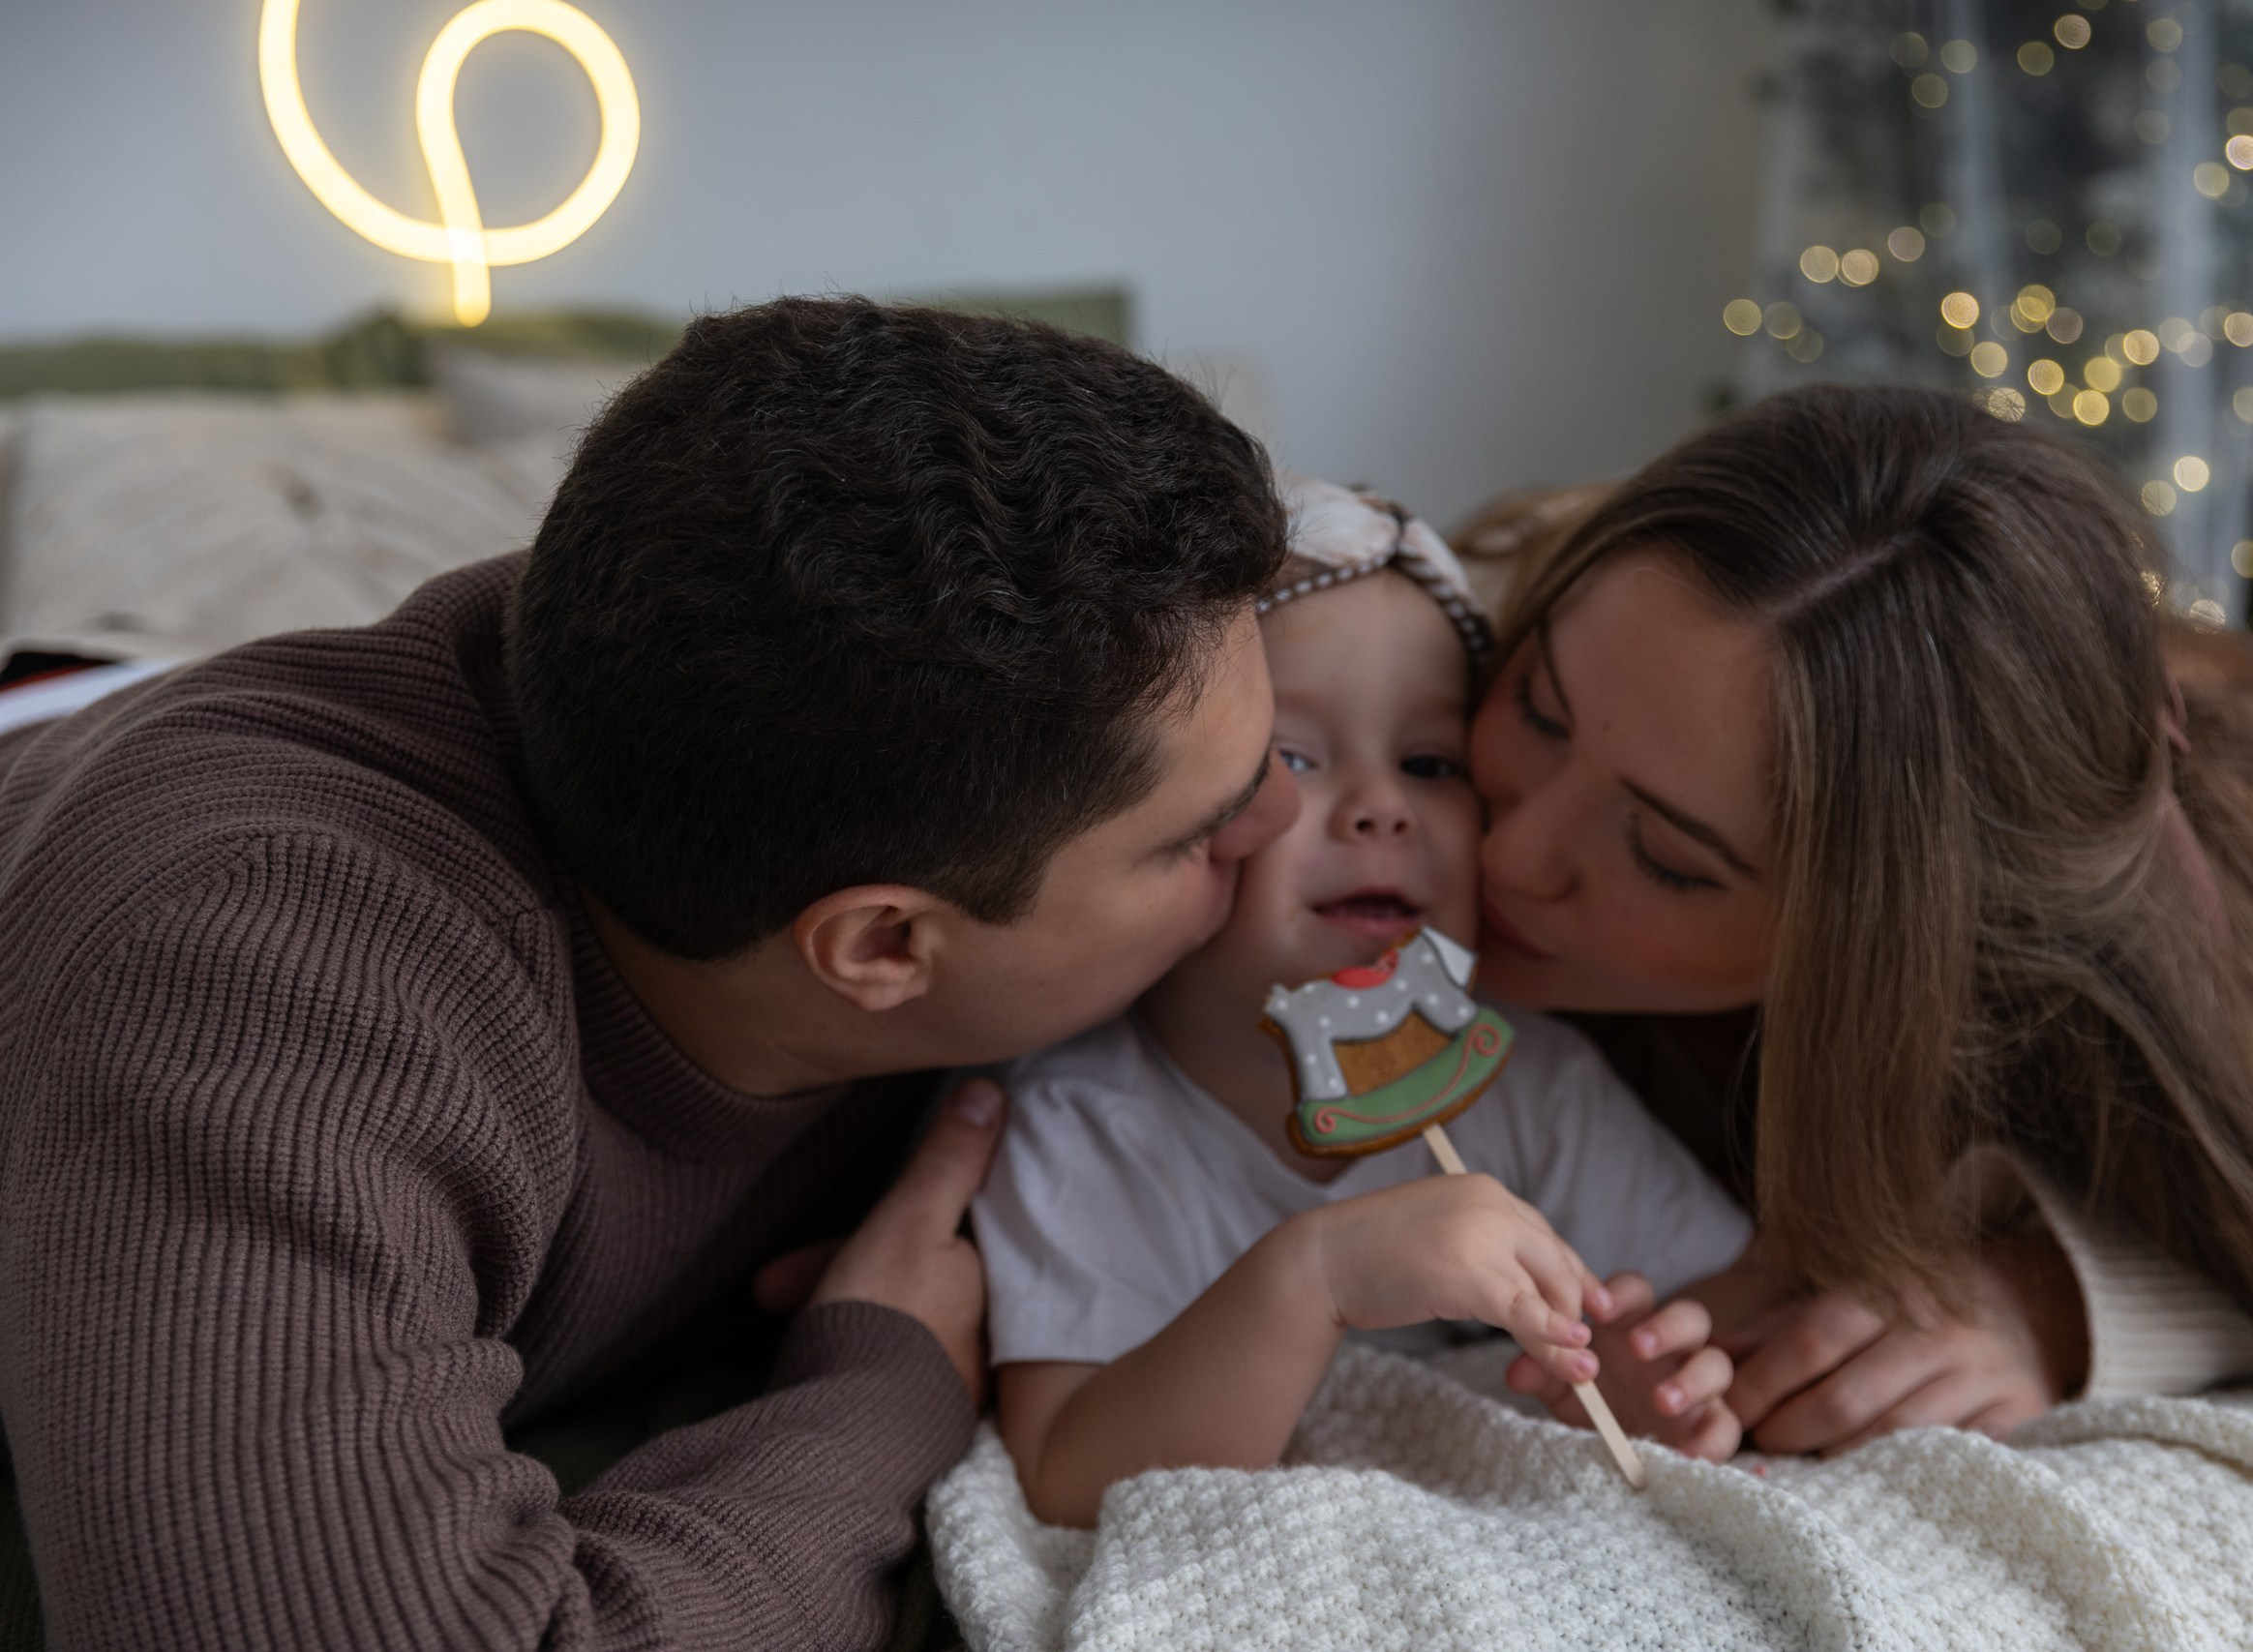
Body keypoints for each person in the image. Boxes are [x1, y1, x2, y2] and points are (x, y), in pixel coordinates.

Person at [0, 297, 1304, 1651]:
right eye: (1199, 834)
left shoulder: (808, 698)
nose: (1283, 827)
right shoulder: (266, 983)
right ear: (882, 946)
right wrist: (886, 1386)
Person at [1483, 384, 2253, 1455]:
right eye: (1538, 706)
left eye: (1668, 860)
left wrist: (2056, 1295)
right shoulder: (1441, 612)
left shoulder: (2232, 902)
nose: (1510, 854)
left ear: (1915, 947)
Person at [974, 480, 1752, 1528]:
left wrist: (1656, 1375)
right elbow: (1069, 1480)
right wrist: (1316, 1275)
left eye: (1429, 763)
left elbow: (1732, 1296)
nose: (1382, 808)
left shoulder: (1539, 1083)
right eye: (1291, 758)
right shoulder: (1082, 1122)